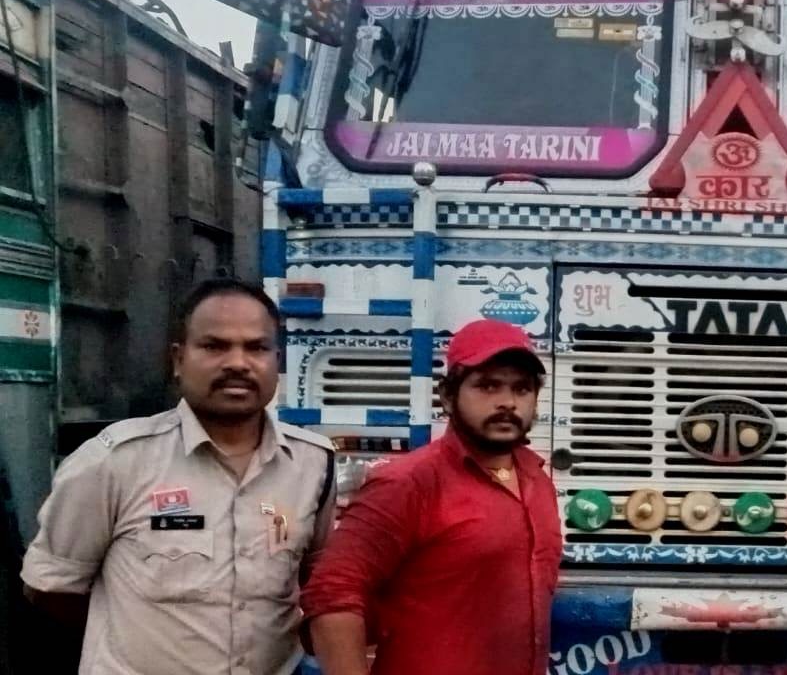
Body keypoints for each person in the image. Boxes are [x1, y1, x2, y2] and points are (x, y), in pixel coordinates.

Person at [21, 277, 336, 675]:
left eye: (256, 347)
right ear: (178, 359)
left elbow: (317, 584)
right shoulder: (114, 461)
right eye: (214, 346)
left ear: (278, 361)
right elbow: (50, 588)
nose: (237, 363)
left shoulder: (312, 464)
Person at [302, 317, 561, 675]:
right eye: (488, 386)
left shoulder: (537, 480)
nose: (507, 402)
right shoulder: (408, 483)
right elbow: (332, 594)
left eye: (521, 389)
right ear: (448, 396)